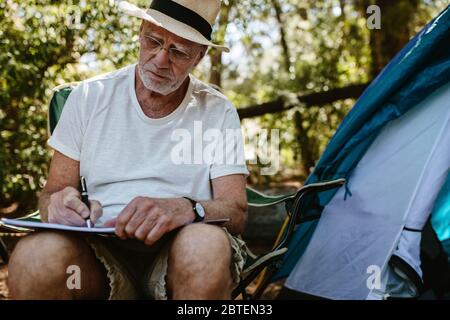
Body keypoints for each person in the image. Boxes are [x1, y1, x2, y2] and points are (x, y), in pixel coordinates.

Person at [8, 0, 249, 300]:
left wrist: (188, 208)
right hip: (97, 258)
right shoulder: (87, 98)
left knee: (205, 248)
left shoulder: (216, 110)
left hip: (178, 252)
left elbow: (235, 212)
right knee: (35, 258)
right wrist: (58, 205)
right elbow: (51, 194)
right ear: (140, 32)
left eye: (178, 51)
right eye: (154, 41)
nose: (161, 59)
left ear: (199, 57)